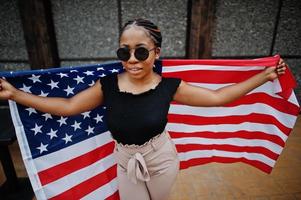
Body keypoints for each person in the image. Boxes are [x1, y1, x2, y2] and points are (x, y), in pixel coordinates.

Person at [0, 19, 286, 200]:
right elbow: (68, 106)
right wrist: (16, 94)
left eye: (141, 51)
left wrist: (263, 76)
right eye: (124, 52)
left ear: (156, 53)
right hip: (125, 162)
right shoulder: (108, 85)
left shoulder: (170, 86)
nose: (132, 59)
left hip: (160, 160)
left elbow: (219, 97)